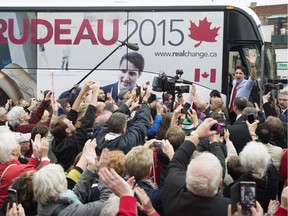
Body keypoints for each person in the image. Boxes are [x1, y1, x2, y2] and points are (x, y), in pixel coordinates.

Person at [162, 118, 230, 216]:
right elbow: (221, 167)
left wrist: (196, 135)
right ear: (220, 183)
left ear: (187, 176)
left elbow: (177, 161)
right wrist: (214, 143)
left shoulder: (172, 190)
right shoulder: (227, 209)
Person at [50, 81, 100, 171]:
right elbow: (89, 118)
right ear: (67, 130)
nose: (71, 121)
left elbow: (73, 112)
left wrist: (82, 92)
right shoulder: (74, 142)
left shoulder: (56, 141)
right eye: (69, 122)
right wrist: (95, 94)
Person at [0, 132, 49, 209]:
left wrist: (35, 156)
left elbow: (21, 170)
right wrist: (44, 156)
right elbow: (47, 180)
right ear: (13, 151)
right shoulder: (19, 170)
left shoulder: (5, 165)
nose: (19, 145)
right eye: (17, 143)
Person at [229, 50, 257, 124]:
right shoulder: (235, 82)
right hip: (231, 111)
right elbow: (233, 78)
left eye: (240, 73)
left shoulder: (247, 84)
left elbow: (253, 77)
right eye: (236, 73)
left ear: (244, 75)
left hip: (240, 112)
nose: (238, 75)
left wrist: (253, 65)